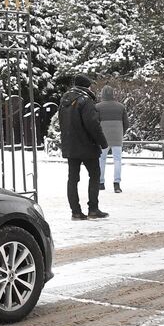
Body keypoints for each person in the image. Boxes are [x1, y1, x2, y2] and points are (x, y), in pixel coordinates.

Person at [58, 74, 109, 220]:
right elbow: (92, 124)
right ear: (87, 86)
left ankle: (75, 211)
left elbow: (61, 122)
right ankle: (93, 209)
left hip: (70, 146)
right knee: (94, 175)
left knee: (72, 179)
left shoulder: (64, 100)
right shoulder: (85, 101)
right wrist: (102, 142)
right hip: (87, 146)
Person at [95, 86, 129, 193]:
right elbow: (126, 124)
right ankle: (117, 184)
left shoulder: (97, 107)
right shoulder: (121, 107)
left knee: (101, 159)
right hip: (117, 136)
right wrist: (121, 133)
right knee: (117, 160)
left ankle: (101, 183)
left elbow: (94, 123)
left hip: (103, 137)